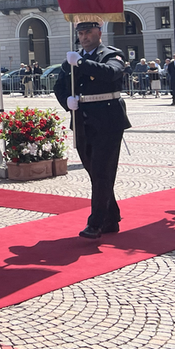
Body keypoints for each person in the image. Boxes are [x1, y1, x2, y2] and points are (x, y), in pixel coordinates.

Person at [54, 21, 131, 239]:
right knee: (94, 172)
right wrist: (66, 101)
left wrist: (80, 63)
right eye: (81, 33)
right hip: (82, 121)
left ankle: (96, 223)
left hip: (108, 120)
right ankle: (111, 217)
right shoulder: (73, 58)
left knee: (101, 171)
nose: (84, 36)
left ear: (99, 32)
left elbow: (111, 73)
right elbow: (59, 86)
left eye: (88, 32)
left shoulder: (111, 54)